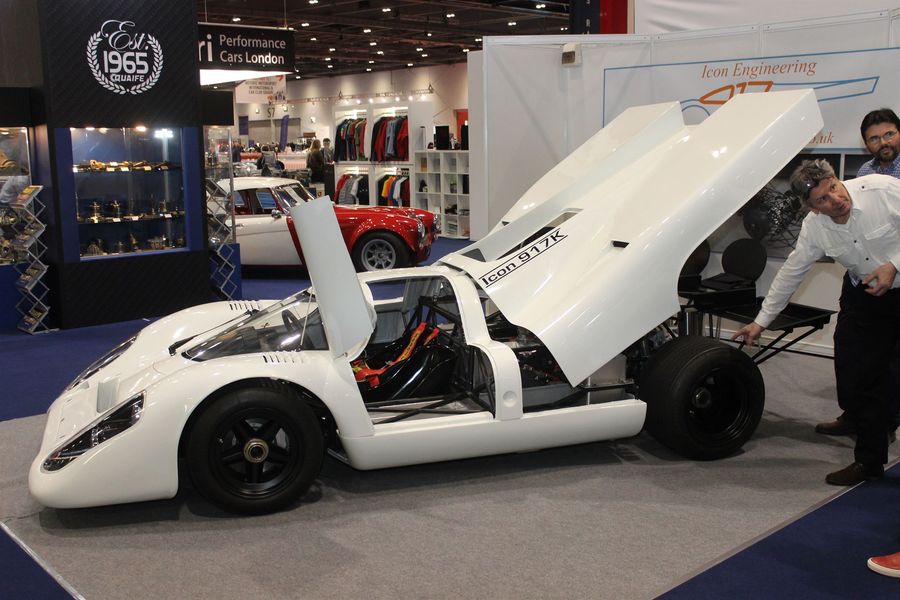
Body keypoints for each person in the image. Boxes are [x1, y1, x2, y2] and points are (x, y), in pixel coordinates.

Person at [731, 159, 900, 486]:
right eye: (823, 198)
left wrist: (894, 264)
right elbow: (791, 272)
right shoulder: (815, 228)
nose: (836, 199)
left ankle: (878, 429)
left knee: (886, 374)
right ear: (812, 208)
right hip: (865, 292)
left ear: (837, 178)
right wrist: (761, 322)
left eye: (834, 187)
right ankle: (866, 451)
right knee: (856, 369)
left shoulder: (881, 190)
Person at [815, 109, 900, 438]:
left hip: (895, 276)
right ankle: (852, 413)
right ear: (866, 144)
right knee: (848, 347)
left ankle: (884, 424)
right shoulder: (865, 171)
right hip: (860, 278)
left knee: (889, 358)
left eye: (889, 134)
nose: (883, 142)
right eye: (874, 138)